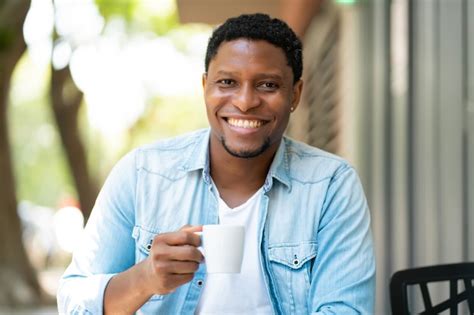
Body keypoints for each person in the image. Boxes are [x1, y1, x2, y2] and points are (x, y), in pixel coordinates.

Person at [57, 13, 375, 314]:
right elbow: (74, 301)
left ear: (295, 94)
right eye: (227, 82)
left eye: (268, 85)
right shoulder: (143, 175)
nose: (245, 101)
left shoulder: (331, 185)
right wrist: (145, 278)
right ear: (205, 87)